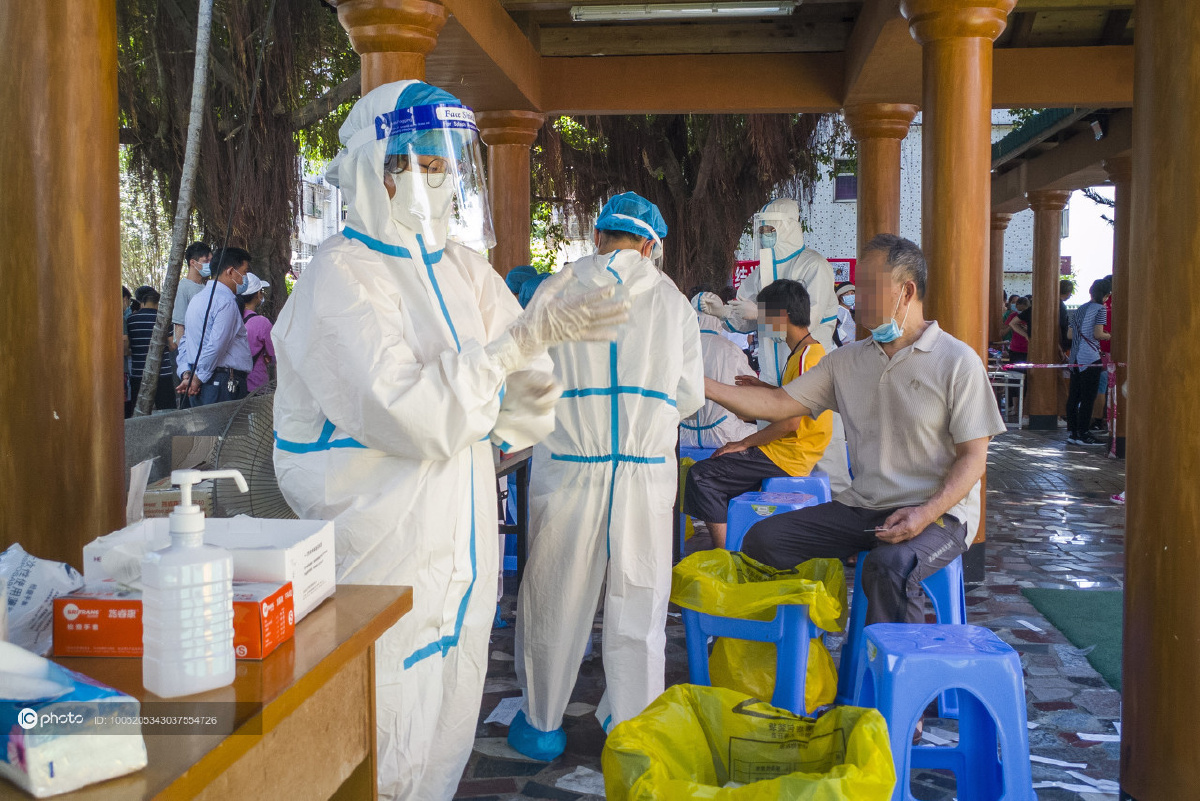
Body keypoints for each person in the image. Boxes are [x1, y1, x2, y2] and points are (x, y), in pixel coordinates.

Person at [270, 80, 629, 801]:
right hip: (383, 560)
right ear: (374, 170)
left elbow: (524, 410)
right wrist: (511, 352)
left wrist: (534, 346)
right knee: (372, 746)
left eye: (440, 164)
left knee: (441, 747)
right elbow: (413, 412)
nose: (429, 178)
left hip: (461, 565)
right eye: (411, 162)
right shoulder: (339, 278)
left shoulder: (465, 270)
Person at [705, 234, 1005, 631]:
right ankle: (796, 657)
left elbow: (973, 458)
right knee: (764, 540)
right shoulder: (845, 361)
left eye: (866, 285)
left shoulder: (957, 362)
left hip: (939, 515)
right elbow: (777, 406)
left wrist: (924, 513)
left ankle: (891, 686)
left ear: (906, 291)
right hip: (864, 507)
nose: (852, 294)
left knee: (889, 567)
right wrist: (696, 383)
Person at [509, 192, 704, 761]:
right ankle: (632, 728)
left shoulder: (557, 287)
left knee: (554, 596)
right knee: (639, 602)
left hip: (569, 467)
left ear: (598, 236)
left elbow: (523, 372)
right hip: (643, 473)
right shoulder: (672, 303)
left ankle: (542, 723)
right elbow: (689, 395)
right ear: (650, 244)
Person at [701, 198, 850, 494]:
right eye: (762, 228)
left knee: (827, 470)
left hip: (812, 378)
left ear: (789, 228)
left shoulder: (814, 265)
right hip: (774, 381)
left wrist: (760, 313)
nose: (765, 234)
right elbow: (743, 320)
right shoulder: (760, 272)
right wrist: (724, 313)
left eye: (771, 228)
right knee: (775, 471)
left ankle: (838, 522)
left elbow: (807, 317)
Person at [682, 279, 832, 548]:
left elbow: (789, 420)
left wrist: (742, 443)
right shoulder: (805, 352)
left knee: (701, 476)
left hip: (790, 453)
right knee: (719, 470)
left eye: (764, 315)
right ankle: (739, 538)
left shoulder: (808, 357)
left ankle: (726, 554)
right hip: (790, 448)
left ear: (783, 316)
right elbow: (794, 399)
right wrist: (764, 387)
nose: (761, 324)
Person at [175, 247, 253, 407]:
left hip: (199, 379)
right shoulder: (226, 303)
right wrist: (196, 379)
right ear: (231, 271)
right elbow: (216, 345)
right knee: (227, 432)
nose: (244, 279)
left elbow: (184, 341)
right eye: (244, 273)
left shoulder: (197, 299)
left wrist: (186, 374)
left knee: (205, 432)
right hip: (222, 383)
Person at [680, 291, 757, 450]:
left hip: (683, 436)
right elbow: (754, 395)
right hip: (725, 434)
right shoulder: (730, 349)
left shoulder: (677, 349)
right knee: (769, 432)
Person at [1065, 279, 1111, 446]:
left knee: (1074, 397)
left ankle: (1073, 432)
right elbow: (1098, 334)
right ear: (1106, 295)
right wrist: (1108, 335)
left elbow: (1070, 335)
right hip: (1090, 358)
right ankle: (1084, 433)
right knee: (1088, 398)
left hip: (1075, 358)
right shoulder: (1101, 309)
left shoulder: (1079, 309)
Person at [126, 287, 179, 411]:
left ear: (142, 303)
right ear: (158, 303)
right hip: (163, 374)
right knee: (167, 411)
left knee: (138, 411)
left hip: (139, 374)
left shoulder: (130, 320)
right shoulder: (164, 320)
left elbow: (127, 348)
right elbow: (172, 346)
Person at [236, 273, 275, 394]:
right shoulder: (262, 323)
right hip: (256, 385)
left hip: (234, 385)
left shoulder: (231, 317)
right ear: (258, 294)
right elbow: (274, 354)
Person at [173, 242, 212, 347]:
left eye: (211, 261)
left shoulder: (206, 287)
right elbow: (179, 325)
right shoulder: (183, 287)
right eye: (206, 261)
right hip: (192, 349)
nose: (209, 264)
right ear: (193, 262)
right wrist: (183, 354)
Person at [1005, 296, 1031, 364]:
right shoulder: (1012, 316)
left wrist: (1027, 329)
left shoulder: (1030, 314)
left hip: (1028, 348)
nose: (1016, 307)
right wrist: (1013, 326)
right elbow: (1002, 332)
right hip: (1015, 348)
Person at [834, 282, 856, 346]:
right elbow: (833, 330)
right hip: (843, 349)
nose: (850, 296)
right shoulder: (840, 311)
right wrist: (839, 345)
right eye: (846, 294)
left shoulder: (849, 311)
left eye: (852, 293)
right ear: (840, 298)